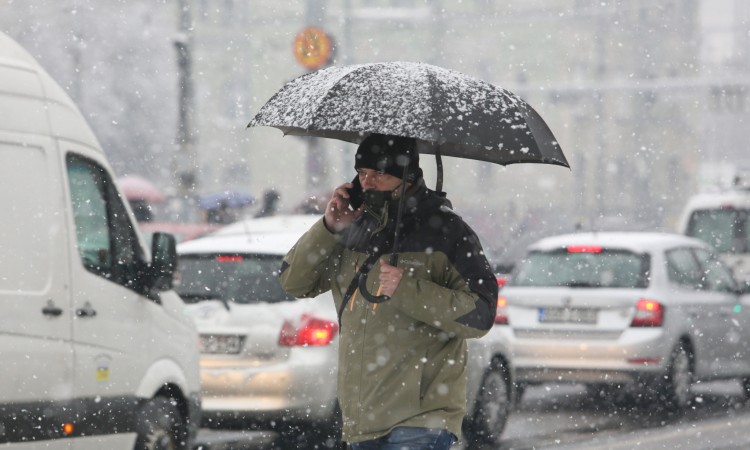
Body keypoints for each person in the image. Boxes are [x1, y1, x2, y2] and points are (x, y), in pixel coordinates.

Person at [279, 133, 498, 450]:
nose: (368, 183)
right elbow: (295, 283)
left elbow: (481, 313)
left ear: (407, 176)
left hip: (422, 418)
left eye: (379, 174)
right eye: (363, 174)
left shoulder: (449, 231)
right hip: (361, 417)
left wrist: (408, 289)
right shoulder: (354, 225)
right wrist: (328, 227)